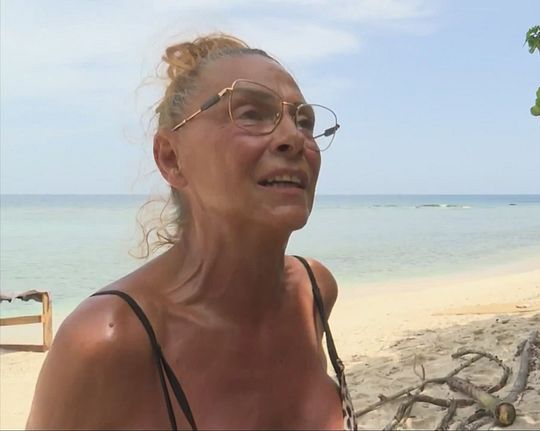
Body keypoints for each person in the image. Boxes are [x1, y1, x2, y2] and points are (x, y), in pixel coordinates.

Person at [26, 33, 357, 430]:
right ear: (171, 158)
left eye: (304, 122)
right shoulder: (108, 340)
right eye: (251, 113)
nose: (293, 138)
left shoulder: (313, 292)